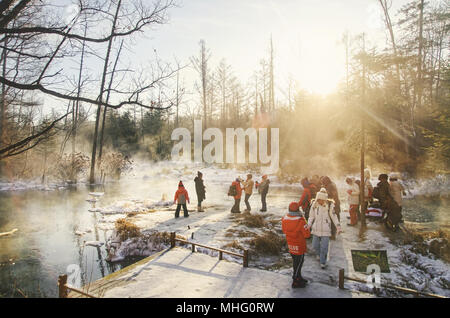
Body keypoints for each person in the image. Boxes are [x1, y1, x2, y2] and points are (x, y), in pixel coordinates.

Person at [307, 188, 342, 269]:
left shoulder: (329, 205)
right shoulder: (314, 205)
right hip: (316, 228)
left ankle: (323, 262)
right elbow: (311, 216)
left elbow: (334, 216)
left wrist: (338, 226)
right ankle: (319, 255)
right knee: (315, 245)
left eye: (322, 200)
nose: (320, 201)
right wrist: (308, 225)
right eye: (319, 199)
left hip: (326, 229)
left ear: (325, 199)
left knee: (324, 247)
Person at [282, 202, 311, 288]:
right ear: (298, 209)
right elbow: (307, 235)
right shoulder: (300, 220)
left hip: (290, 244)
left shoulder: (284, 218)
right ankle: (296, 280)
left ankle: (299, 277)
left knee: (295, 261)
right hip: (299, 244)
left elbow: (284, 230)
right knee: (299, 262)